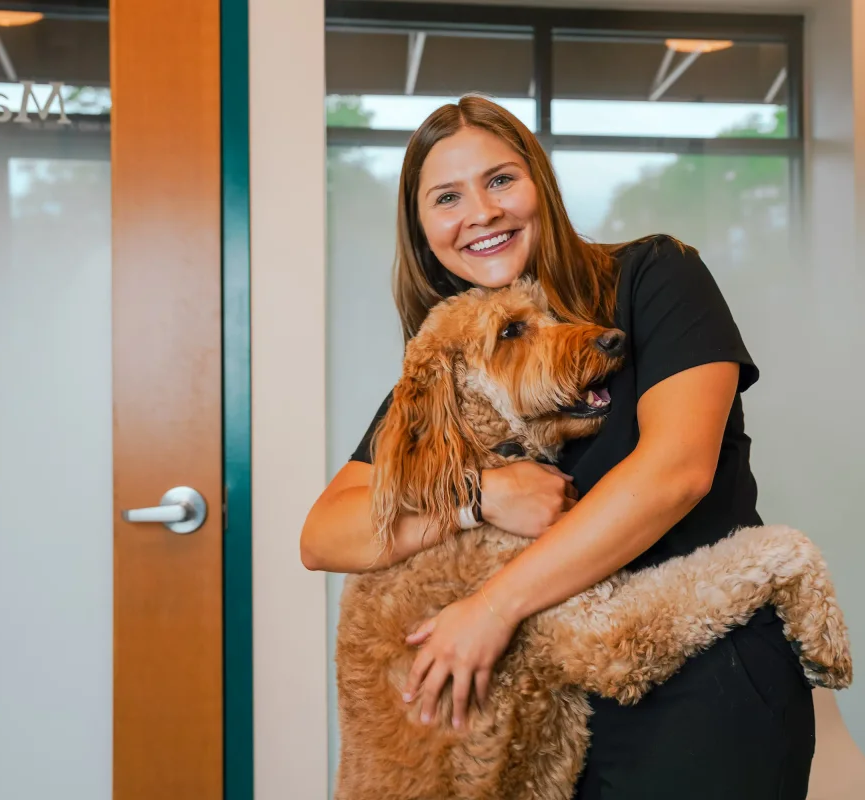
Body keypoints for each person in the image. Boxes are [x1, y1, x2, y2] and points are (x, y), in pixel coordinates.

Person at [300, 94, 815, 799]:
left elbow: (678, 473)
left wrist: (491, 609)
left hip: (699, 687)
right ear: (424, 233)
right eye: (447, 197)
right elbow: (324, 533)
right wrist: (480, 500)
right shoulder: (455, 364)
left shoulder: (653, 277)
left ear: (540, 184)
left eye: (501, 179)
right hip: (539, 722)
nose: (480, 212)